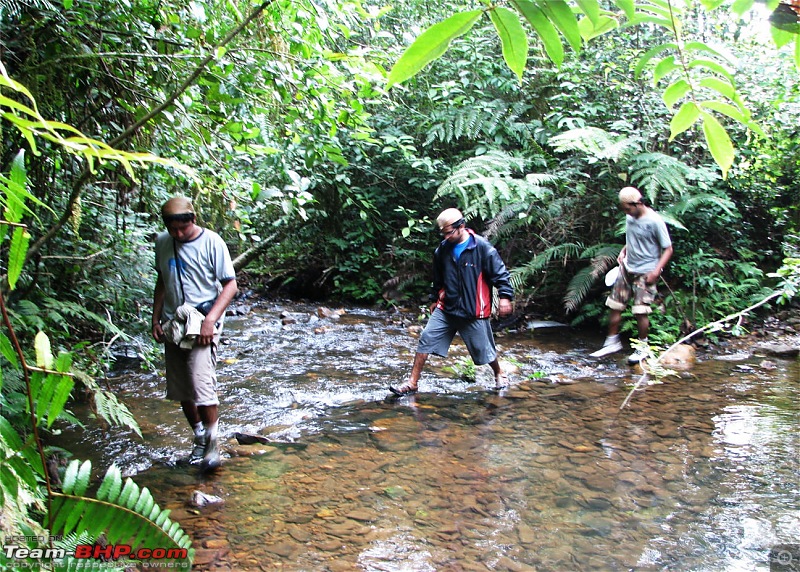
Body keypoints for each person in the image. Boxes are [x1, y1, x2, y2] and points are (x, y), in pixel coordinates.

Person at [151, 197, 238, 472]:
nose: (178, 234)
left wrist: (210, 321)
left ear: (193, 220)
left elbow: (230, 285)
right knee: (181, 388)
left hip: (203, 319)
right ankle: (199, 436)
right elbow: (162, 280)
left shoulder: (213, 242)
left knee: (202, 385)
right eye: (173, 229)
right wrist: (155, 318)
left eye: (183, 229)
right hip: (174, 321)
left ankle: (213, 444)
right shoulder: (162, 242)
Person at [389, 208, 514, 396]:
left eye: (448, 232)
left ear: (461, 226)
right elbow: (438, 278)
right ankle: (412, 383)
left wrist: (505, 297)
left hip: (473, 310)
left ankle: (499, 373)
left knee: (483, 348)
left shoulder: (481, 248)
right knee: (426, 339)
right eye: (443, 233)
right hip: (447, 307)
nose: (445, 237)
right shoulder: (442, 250)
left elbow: (501, 274)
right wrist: (433, 299)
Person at [591, 186, 673, 364]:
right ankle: (611, 342)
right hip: (627, 268)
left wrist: (656, 270)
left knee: (640, 311)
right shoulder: (630, 217)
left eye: (627, 208)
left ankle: (642, 348)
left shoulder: (654, 221)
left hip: (646, 271)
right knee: (615, 305)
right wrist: (624, 250)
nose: (625, 212)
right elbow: (632, 238)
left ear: (637, 203)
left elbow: (668, 249)